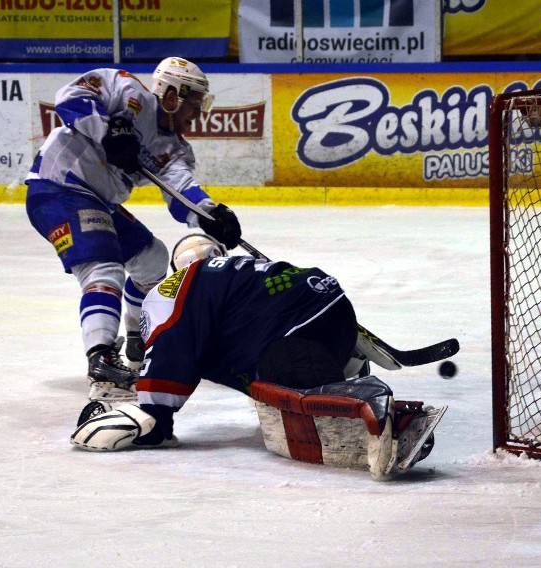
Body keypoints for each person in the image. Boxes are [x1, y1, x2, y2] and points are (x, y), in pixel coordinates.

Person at [70, 234, 446, 480]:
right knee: (275, 377)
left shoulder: (172, 286)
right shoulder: (233, 272)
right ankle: (348, 371)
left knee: (288, 391)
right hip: (331, 307)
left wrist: (155, 415)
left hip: (294, 331)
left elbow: (172, 343)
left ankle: (381, 411)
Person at [25, 57, 243, 404]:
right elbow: (70, 98)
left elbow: (182, 192)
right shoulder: (125, 89)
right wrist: (108, 129)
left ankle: (136, 338)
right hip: (58, 187)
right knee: (104, 268)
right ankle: (102, 362)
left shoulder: (174, 149)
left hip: (100, 202)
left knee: (152, 259)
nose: (198, 113)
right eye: (194, 103)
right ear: (172, 95)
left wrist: (212, 214)